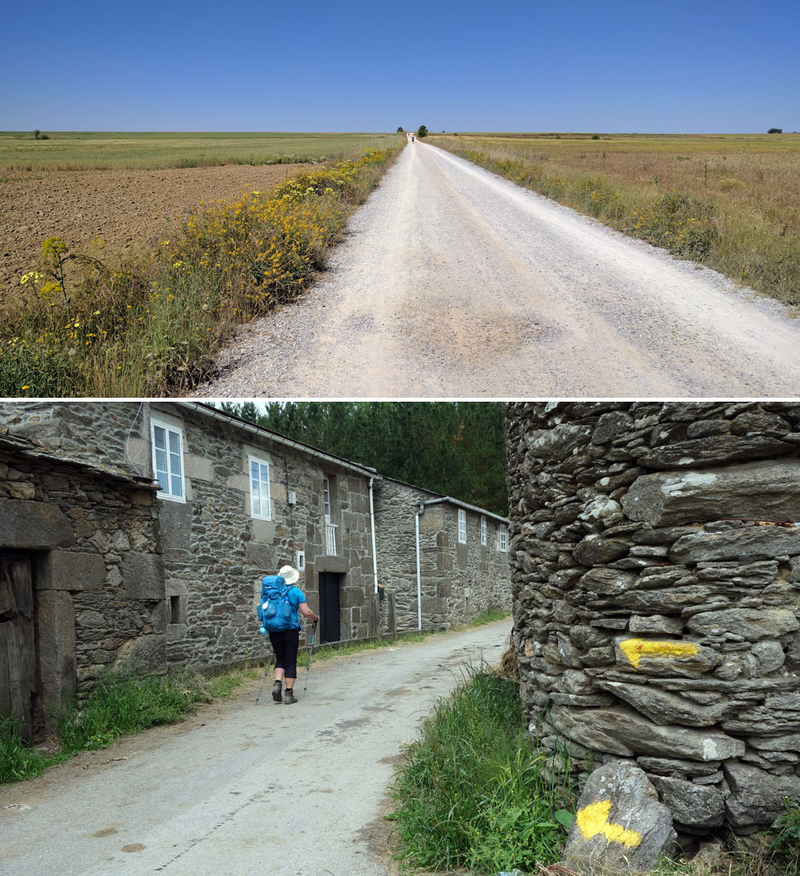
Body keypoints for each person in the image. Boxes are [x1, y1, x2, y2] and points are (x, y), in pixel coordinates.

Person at [267, 565, 319, 704]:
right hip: (290, 630)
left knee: (280, 658)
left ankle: (277, 683)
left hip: (274, 630)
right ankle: (289, 695)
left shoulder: (271, 591)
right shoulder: (295, 591)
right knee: (290, 661)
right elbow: (306, 612)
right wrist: (315, 617)